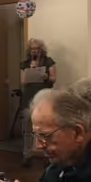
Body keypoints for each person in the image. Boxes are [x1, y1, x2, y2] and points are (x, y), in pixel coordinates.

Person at [20, 38, 56, 167]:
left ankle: (48, 155)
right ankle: (26, 155)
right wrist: (31, 70)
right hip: (28, 99)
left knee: (46, 129)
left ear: (42, 49)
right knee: (27, 129)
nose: (34, 51)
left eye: (37, 49)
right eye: (32, 49)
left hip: (44, 99)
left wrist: (46, 76)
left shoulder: (48, 62)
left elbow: (54, 78)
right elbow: (23, 81)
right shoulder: (25, 63)